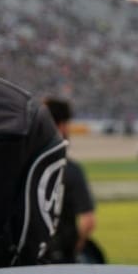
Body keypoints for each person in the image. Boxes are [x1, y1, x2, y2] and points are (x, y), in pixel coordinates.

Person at [45, 96, 100, 263]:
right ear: (61, 126)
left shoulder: (23, 167)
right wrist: (73, 249)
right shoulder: (70, 170)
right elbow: (88, 221)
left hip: (28, 260)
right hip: (61, 258)